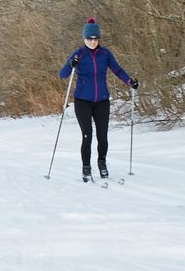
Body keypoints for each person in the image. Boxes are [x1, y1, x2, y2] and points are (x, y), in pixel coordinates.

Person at [59, 20, 137, 182]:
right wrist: (71, 65)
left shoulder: (105, 54)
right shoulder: (78, 54)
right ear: (84, 39)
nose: (93, 42)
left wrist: (130, 81)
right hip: (82, 100)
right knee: (87, 135)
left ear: (99, 39)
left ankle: (102, 163)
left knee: (103, 136)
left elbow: (117, 70)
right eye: (89, 39)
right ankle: (86, 168)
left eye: (95, 38)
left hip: (102, 100)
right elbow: (63, 74)